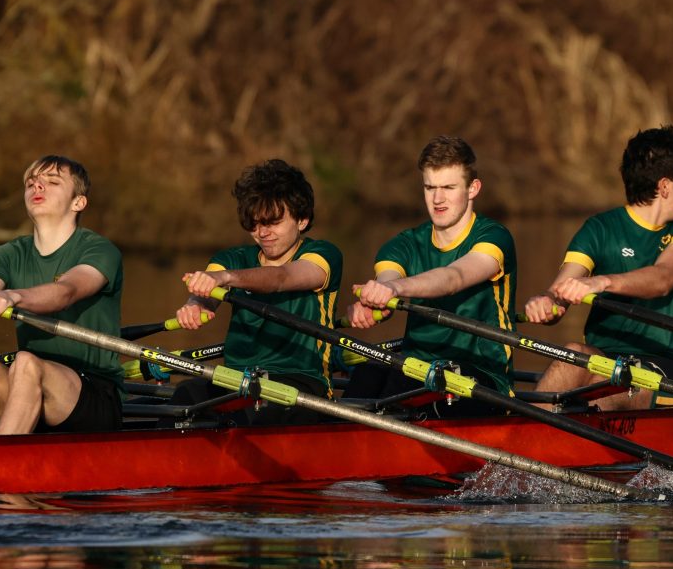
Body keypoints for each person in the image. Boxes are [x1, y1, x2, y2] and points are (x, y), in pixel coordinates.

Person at [523, 125, 673, 411]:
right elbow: (559, 293)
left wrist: (602, 282)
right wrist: (545, 302)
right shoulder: (599, 229)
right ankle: (518, 433)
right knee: (572, 353)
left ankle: (538, 429)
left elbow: (664, 278)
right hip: (606, 357)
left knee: (603, 382)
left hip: (670, 367)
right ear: (664, 186)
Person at [0, 155, 124, 436]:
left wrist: (12, 297)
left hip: (94, 397)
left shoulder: (99, 250)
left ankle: (2, 458)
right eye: (31, 183)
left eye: (52, 182)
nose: (37, 187)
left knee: (25, 362)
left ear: (78, 202)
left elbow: (66, 292)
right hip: (27, 390)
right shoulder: (6, 255)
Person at [346, 136, 517, 415]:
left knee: (409, 385)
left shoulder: (494, 237)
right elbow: (388, 277)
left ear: (473, 188)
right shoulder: (405, 243)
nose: (437, 199)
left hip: (483, 378)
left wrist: (395, 289)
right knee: (368, 372)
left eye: (448, 187)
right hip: (416, 367)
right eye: (430, 187)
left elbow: (453, 278)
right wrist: (374, 298)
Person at [174, 159, 343, 424]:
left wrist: (226, 278)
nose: (263, 233)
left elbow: (282, 277)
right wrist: (194, 305)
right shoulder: (233, 258)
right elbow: (208, 293)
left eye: (273, 222)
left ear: (302, 220)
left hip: (301, 383)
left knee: (251, 414)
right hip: (238, 379)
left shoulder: (323, 255)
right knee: (185, 395)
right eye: (254, 224)